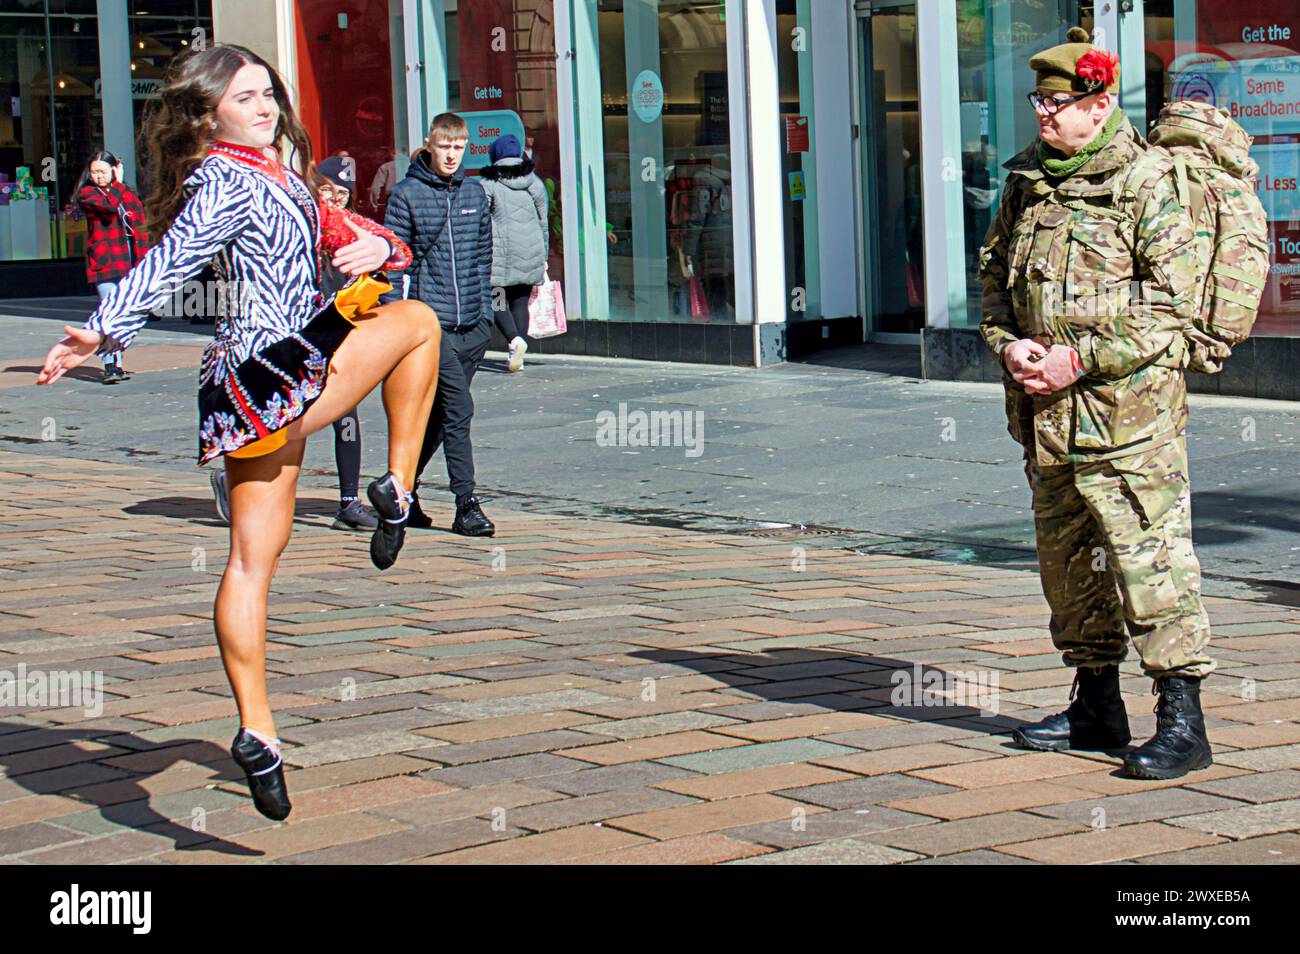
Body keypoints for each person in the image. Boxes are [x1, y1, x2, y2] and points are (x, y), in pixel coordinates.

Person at [37, 44, 441, 820]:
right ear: (209, 113)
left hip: (243, 386)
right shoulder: (228, 178)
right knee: (417, 321)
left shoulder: (281, 175)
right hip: (279, 365)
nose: (263, 108)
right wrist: (101, 331)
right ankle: (398, 486)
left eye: (268, 94)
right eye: (245, 98)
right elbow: (171, 259)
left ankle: (258, 731)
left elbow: (366, 236)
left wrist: (375, 246)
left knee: (254, 562)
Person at [979, 27, 1212, 780]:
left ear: (1099, 102)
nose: (1043, 115)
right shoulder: (1027, 184)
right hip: (1047, 421)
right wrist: (1008, 344)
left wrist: (1081, 358)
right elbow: (994, 284)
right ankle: (1095, 704)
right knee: (1067, 568)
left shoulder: (1147, 182)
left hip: (1129, 420)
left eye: (1057, 102)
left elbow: (1172, 304)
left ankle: (1183, 721)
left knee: (1151, 563)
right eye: (1038, 102)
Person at [380, 112, 495, 537]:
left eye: (458, 147)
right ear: (429, 143)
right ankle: (467, 505)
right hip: (432, 327)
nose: (451, 155)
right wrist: (400, 322)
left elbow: (484, 258)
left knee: (437, 418)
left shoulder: (475, 192)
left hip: (473, 327)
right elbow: (393, 264)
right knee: (460, 410)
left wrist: (484, 315)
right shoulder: (407, 195)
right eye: (444, 146)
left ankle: (399, 493)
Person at [75, 151, 148, 384]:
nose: (98, 176)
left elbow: (141, 228)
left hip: (128, 263)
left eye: (103, 172)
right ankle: (111, 364)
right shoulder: (88, 194)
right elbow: (108, 206)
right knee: (110, 312)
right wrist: (117, 182)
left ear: (114, 169)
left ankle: (117, 360)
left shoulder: (127, 194)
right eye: (94, 172)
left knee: (124, 314)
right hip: (104, 263)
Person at [478, 134, 548, 373]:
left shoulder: (488, 185)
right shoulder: (535, 183)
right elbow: (543, 222)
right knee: (520, 302)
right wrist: (544, 255)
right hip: (532, 252)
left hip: (500, 255)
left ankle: (514, 340)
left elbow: (480, 220)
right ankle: (520, 350)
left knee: (496, 298)